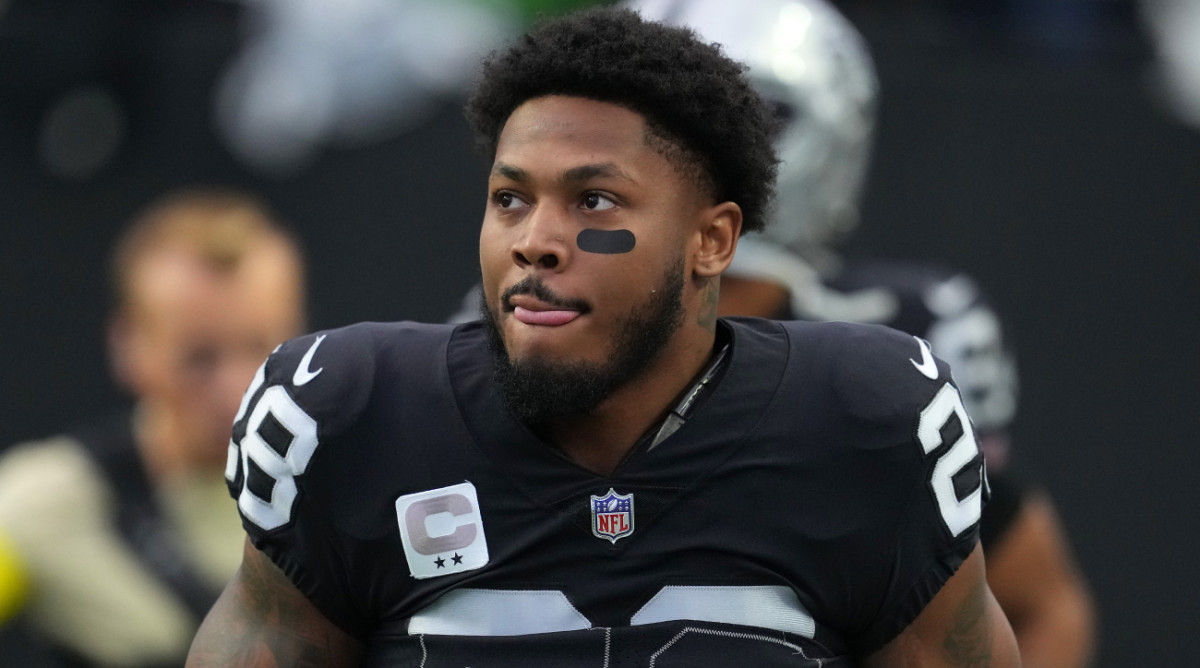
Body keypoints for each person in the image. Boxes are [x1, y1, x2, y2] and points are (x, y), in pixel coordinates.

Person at [189, 7, 1019, 666]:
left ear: (713, 241)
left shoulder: (864, 420)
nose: (535, 240)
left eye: (594, 202)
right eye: (511, 198)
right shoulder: (355, 415)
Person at [627, 1, 1097, 666]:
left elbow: (1039, 601)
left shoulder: (899, 341)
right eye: (661, 124)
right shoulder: (533, 322)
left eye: (744, 117)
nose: (702, 154)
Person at [0, 189, 306, 667]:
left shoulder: (346, 484)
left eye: (262, 345)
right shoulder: (49, 503)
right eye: (199, 358)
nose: (239, 385)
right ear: (129, 348)